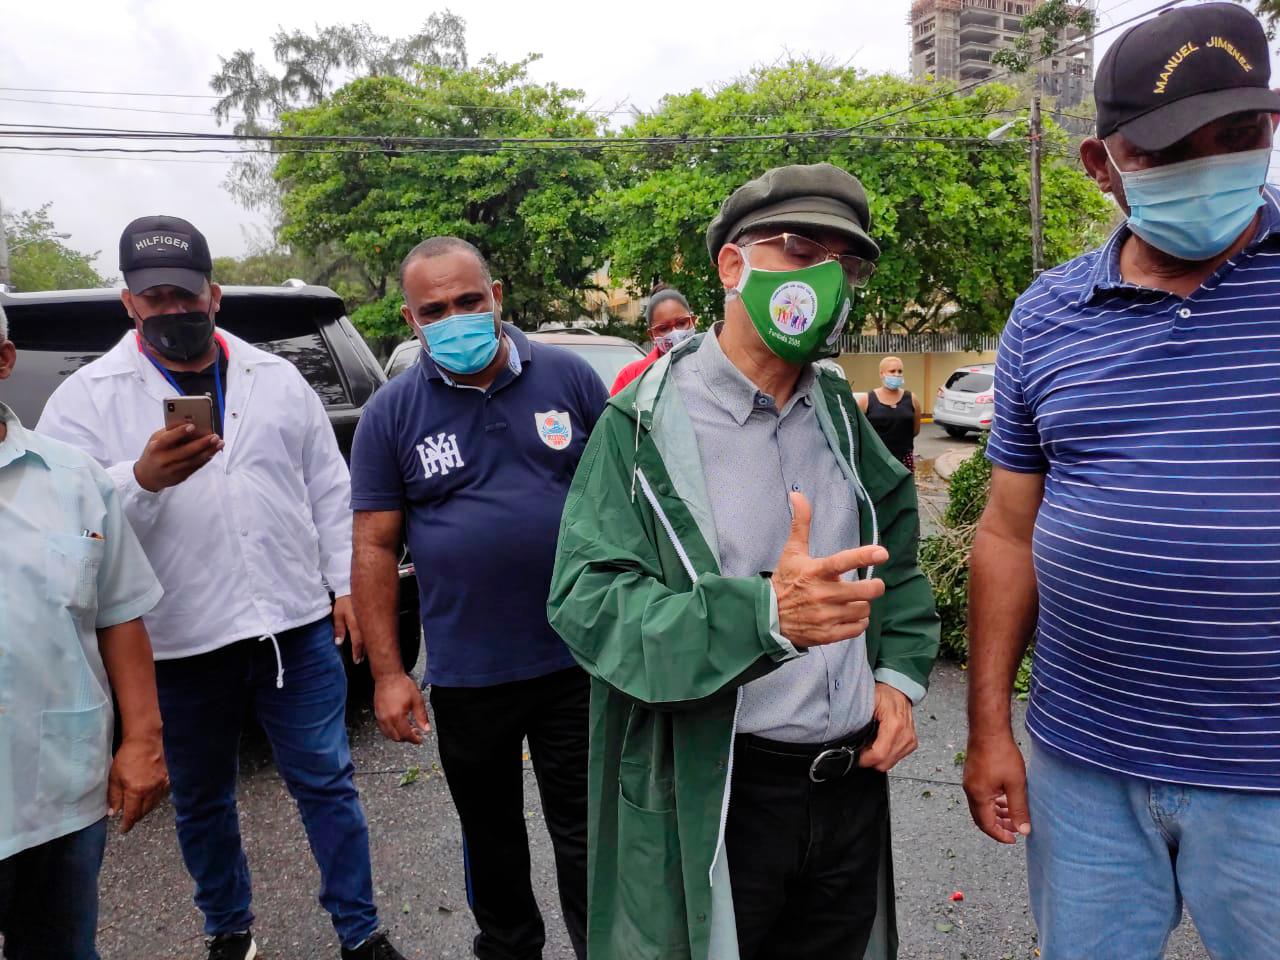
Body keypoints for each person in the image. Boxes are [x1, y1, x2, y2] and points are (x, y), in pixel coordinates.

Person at [548, 163, 940, 960]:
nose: (825, 280)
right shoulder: (644, 423)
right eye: (801, 251)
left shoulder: (838, 408)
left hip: (849, 786)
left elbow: (895, 552)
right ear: (734, 266)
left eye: (846, 263)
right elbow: (587, 602)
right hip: (726, 787)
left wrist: (897, 681)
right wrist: (760, 613)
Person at [963, 6, 1280, 958]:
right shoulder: (1049, 315)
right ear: (1102, 165)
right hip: (1084, 770)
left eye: (1241, 134)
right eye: (1175, 145)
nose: (1215, 163)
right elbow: (1005, 534)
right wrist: (989, 729)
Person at [36, 216, 406, 960]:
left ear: (216, 293)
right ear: (129, 304)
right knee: (202, 803)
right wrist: (138, 481)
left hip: (292, 631)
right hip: (176, 644)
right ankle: (229, 929)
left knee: (329, 784)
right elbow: (66, 522)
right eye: (156, 297)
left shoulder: (277, 378)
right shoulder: (85, 399)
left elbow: (328, 489)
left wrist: (344, 586)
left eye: (187, 294)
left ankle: (360, 932)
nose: (173, 309)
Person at [350, 237, 606, 960]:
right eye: (435, 309)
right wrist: (390, 675)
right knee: (492, 844)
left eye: (468, 301)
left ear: (496, 298)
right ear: (411, 318)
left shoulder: (570, 379)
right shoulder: (390, 415)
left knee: (588, 838)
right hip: (469, 675)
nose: (455, 317)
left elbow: (627, 500)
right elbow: (373, 547)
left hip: (578, 663)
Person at [0, 304, 168, 959]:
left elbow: (120, 613)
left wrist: (144, 741)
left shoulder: (73, 479)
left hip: (56, 795)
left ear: (5, 362)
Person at [610, 286, 696, 395]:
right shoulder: (631, 377)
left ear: (693, 321)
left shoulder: (714, 362)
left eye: (681, 323)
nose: (675, 333)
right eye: (664, 328)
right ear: (651, 335)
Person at [857, 356, 921, 471]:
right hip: (876, 461)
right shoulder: (866, 400)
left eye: (900, 371)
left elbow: (915, 430)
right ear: (882, 374)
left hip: (904, 460)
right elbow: (858, 432)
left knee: (904, 489)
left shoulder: (912, 399)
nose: (896, 374)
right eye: (892, 371)